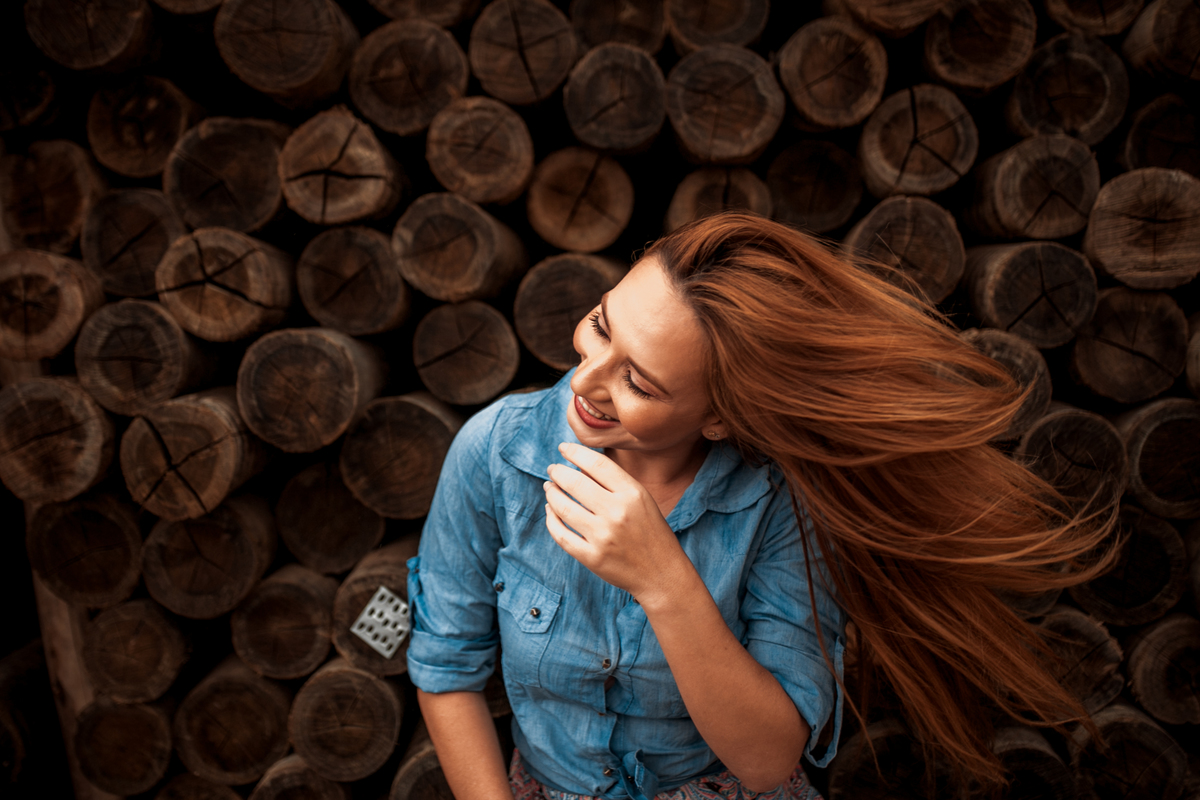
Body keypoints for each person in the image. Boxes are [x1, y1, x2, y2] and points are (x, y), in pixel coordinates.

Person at [405, 212, 1120, 800]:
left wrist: (662, 579)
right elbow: (446, 670)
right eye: (601, 324)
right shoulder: (495, 454)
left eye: (640, 384)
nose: (586, 382)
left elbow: (768, 761)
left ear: (719, 418)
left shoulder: (778, 503)